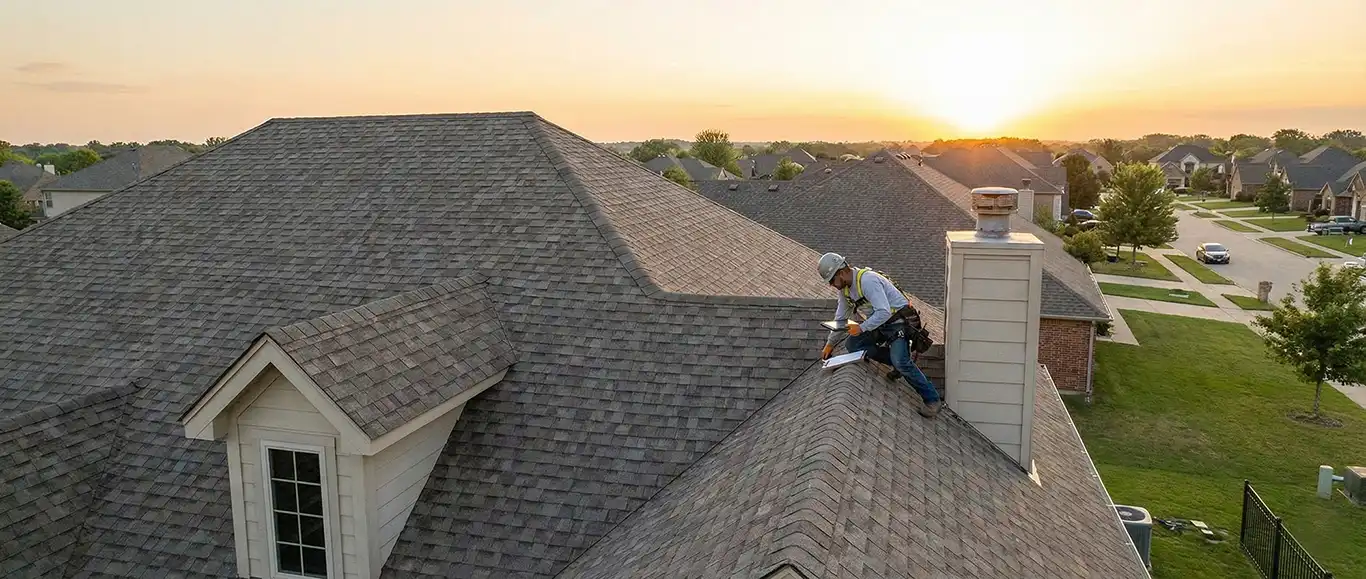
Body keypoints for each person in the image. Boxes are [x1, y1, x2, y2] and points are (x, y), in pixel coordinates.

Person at [817, 252, 943, 417]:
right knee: (853, 345)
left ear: (840, 273)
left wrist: (862, 328)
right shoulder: (846, 291)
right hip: (880, 324)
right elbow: (840, 318)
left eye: (832, 281)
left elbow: (883, 311)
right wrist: (830, 344)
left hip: (899, 323)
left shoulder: (868, 281)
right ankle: (897, 362)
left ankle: (932, 399)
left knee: (901, 361)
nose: (832, 285)